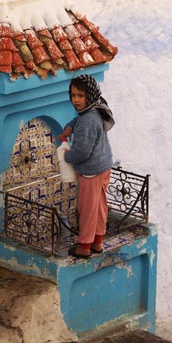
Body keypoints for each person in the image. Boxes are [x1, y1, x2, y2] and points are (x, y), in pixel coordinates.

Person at [56, 74, 115, 258]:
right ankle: (97, 242)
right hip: (104, 166)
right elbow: (80, 118)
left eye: (80, 96)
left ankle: (84, 246)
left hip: (91, 173)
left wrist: (66, 156)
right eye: (73, 95)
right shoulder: (96, 108)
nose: (76, 100)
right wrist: (70, 127)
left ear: (88, 95)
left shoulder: (88, 121)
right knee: (99, 206)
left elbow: (82, 152)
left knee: (87, 209)